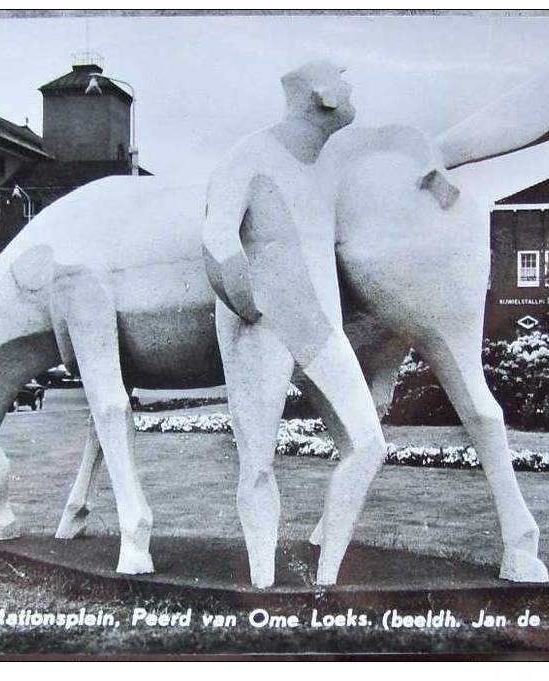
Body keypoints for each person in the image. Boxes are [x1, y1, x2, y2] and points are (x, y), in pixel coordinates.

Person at [202, 60, 388, 587]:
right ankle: (263, 577)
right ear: (323, 95)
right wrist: (249, 307)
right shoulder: (248, 155)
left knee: (368, 445)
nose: (353, 90)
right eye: (345, 83)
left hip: (319, 328)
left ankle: (326, 575)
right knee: (258, 461)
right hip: (259, 327)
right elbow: (217, 241)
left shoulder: (328, 164)